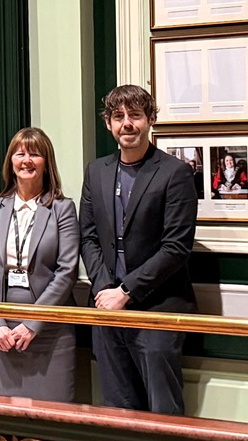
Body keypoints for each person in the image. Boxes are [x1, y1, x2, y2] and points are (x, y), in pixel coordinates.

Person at [79, 84, 198, 415]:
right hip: (106, 310)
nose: (127, 123)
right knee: (119, 409)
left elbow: (176, 248)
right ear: (109, 124)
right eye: (118, 116)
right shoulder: (96, 171)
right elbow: (87, 236)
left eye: (135, 115)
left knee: (163, 413)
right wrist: (105, 289)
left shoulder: (175, 173)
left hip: (157, 309)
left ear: (150, 120)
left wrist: (126, 291)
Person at [0, 127, 80, 402]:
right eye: (20, 154)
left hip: (49, 331)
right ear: (11, 162)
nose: (26, 161)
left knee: (51, 420)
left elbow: (67, 271)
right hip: (3, 333)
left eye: (35, 154)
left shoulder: (62, 208)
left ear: (46, 163)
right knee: (6, 421)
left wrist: (33, 323)